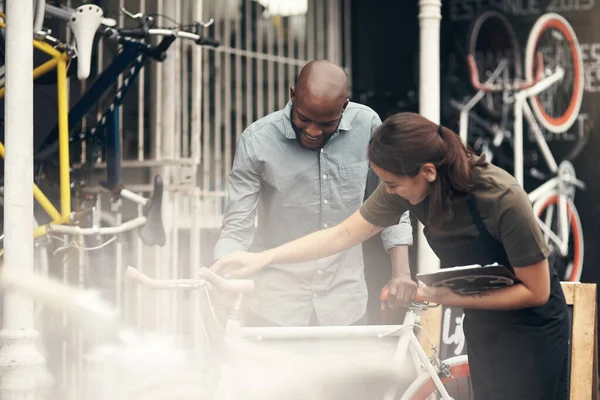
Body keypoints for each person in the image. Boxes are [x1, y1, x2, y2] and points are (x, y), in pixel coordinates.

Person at [210, 112, 570, 400]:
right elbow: (341, 235)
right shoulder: (406, 187)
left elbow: (535, 291)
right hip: (482, 320)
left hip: (532, 327)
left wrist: (445, 296)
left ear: (428, 172)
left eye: (394, 184)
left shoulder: (501, 198)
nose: (389, 192)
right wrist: (263, 258)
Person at [213, 60, 413, 327]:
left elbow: (392, 205)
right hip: (276, 307)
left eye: (326, 123)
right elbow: (237, 225)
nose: (312, 131)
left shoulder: (367, 126)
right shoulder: (257, 140)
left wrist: (401, 273)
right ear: (292, 94)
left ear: (344, 107)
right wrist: (223, 275)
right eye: (304, 119)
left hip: (345, 303)